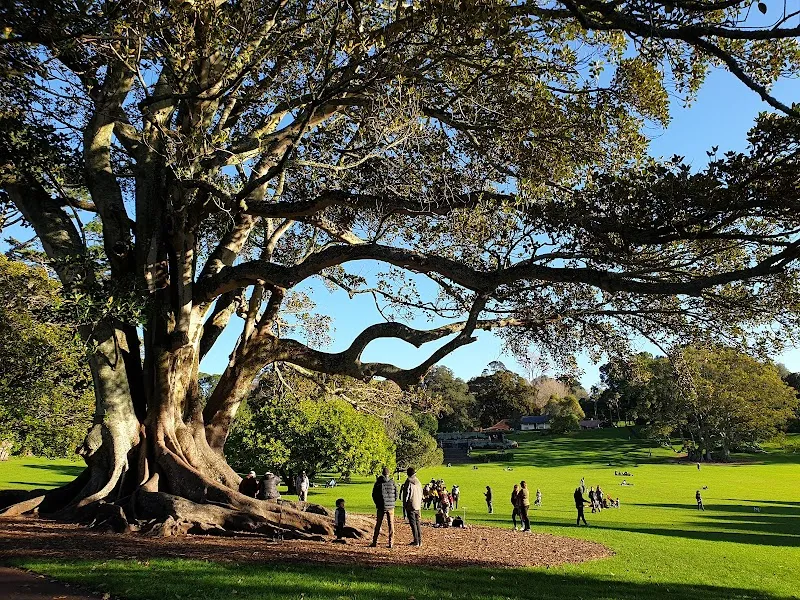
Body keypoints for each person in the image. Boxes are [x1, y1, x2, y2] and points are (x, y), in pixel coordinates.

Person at [370, 466, 398, 548]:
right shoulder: (392, 482)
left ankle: (374, 541)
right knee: (391, 524)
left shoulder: (378, 483)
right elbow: (396, 494)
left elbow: (374, 495)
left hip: (381, 506)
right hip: (391, 507)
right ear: (389, 474)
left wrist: (377, 503)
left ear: (382, 473)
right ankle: (391, 542)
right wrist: (392, 502)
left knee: (378, 524)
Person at [402, 467, 423, 547]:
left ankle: (416, 541)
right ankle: (419, 540)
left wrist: (405, 505)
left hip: (411, 505)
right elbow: (421, 493)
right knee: (417, 523)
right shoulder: (418, 481)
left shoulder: (408, 482)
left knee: (413, 523)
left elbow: (406, 494)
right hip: (418, 505)